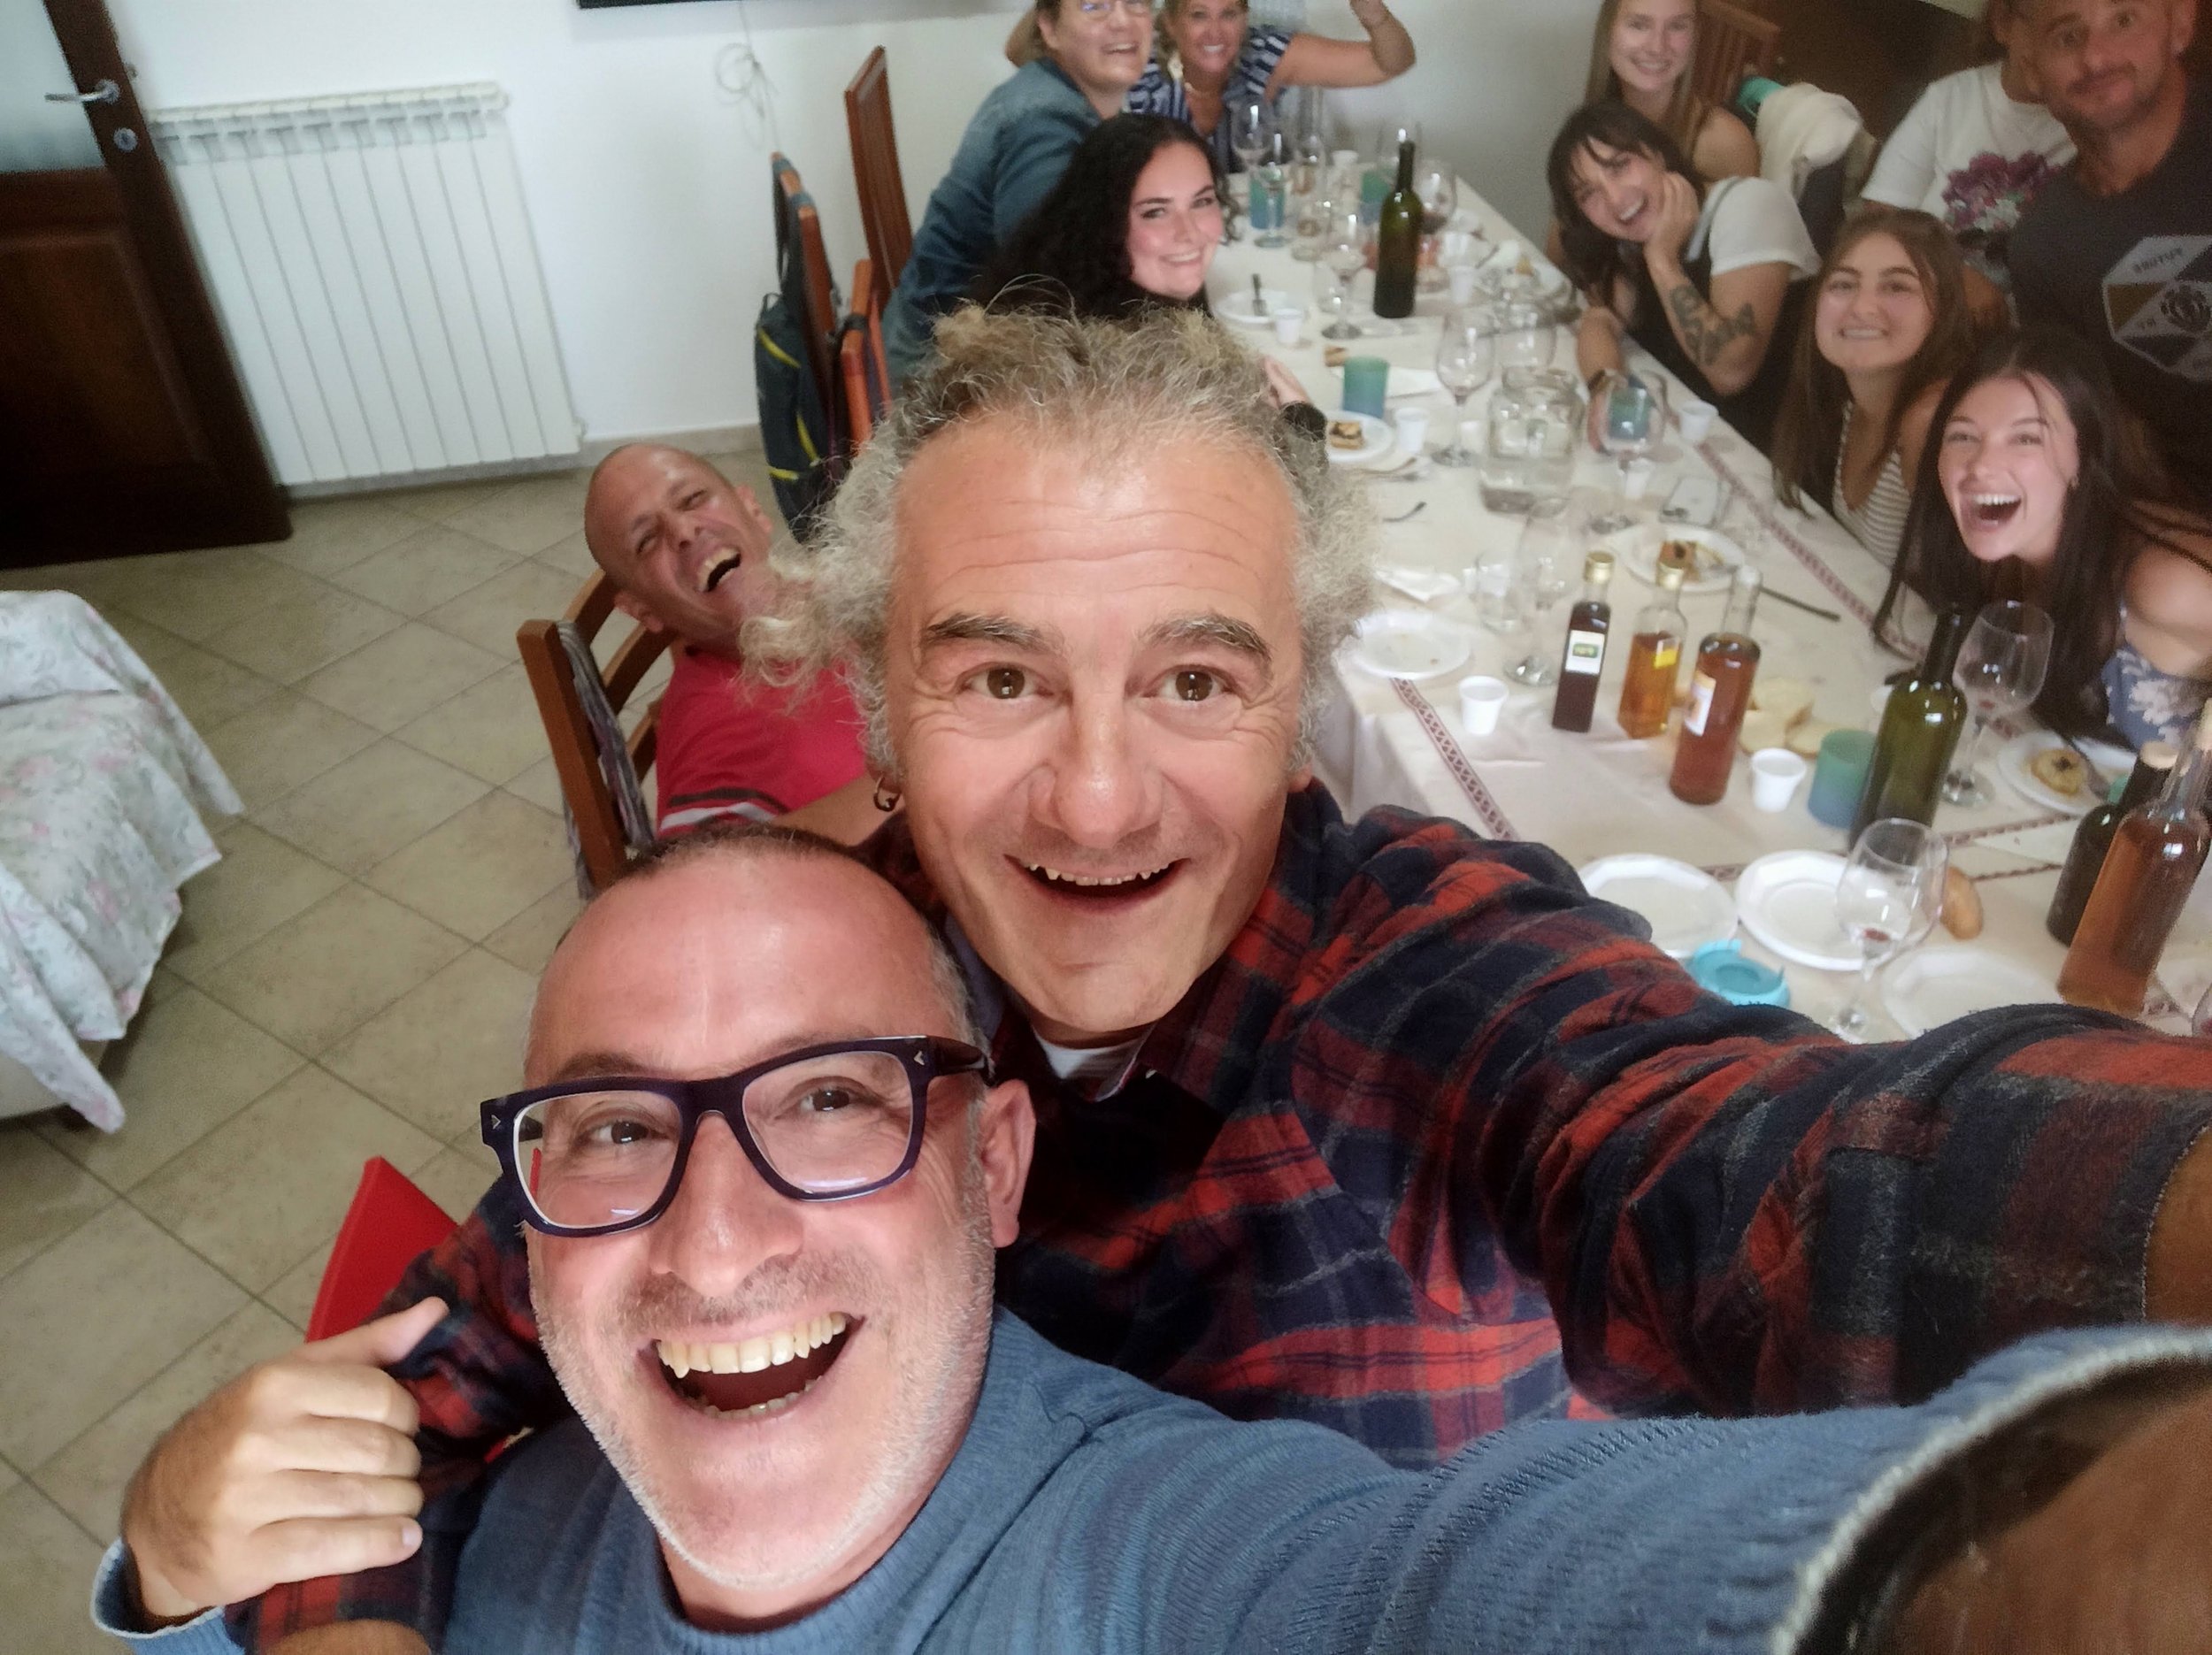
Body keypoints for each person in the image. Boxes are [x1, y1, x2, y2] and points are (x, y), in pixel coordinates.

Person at [129, 309, 2212, 1653]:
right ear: (877, 708)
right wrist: (326, 1612)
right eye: (999, 678)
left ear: (1305, 709)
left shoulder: (1432, 979)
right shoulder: (809, 981)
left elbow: (1796, 1172)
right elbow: (458, 1352)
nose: (1100, 792)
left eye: (1195, 680)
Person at [100, 823, 2212, 1655]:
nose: (712, 1240)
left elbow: (1430, 1587)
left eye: (832, 1100)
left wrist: (2025, 1558)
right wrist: (175, 1559)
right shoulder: (487, 1458)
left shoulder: (1164, 1552)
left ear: (993, 1167)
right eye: (617, 1124)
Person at [1874, 326, 2212, 745]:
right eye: (1962, 436)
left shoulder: (2167, 583)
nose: (1980, 465)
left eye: (2025, 438)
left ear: (2084, 456)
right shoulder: (2000, 548)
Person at [580, 445, 876, 844]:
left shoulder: (842, 588)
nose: (684, 532)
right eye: (647, 540)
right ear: (643, 610)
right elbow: (707, 870)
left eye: (692, 499)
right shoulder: (715, 741)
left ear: (752, 508)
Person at [881, 0, 1152, 385]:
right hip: (937, 364)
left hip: (962, 331)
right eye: (1095, 6)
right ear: (1049, 28)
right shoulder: (1045, 122)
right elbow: (1048, 288)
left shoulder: (1058, 89)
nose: (1123, 21)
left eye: (1136, 2)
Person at [970, 112, 1315, 413]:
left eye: (1202, 202)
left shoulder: (1141, 284)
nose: (1189, 233)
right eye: (1155, 212)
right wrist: (1300, 425)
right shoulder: (1095, 359)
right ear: (1106, 221)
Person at [2007, 0, 2212, 487]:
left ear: (2180, 23)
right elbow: (2099, 422)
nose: (2096, 58)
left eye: (2123, 20)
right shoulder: (2042, 245)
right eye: (2067, 37)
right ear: (2033, 70)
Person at [1555, 102, 1819, 453]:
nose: (1615, 199)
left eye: (1620, 166)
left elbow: (1730, 372)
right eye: (1589, 194)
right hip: (1694, 435)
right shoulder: (1636, 231)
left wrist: (1662, 260)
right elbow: (1601, 319)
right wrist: (1608, 385)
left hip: (1775, 454)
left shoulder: (1750, 205)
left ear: (1658, 153)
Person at [1770, 206, 1982, 567]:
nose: (1862, 307)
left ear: (1943, 310)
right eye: (1843, 284)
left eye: (1897, 286)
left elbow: (1965, 587)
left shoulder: (1929, 422)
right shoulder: (1851, 401)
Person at [1858, 0, 2075, 308]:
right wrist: (1954, 275)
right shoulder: (1948, 100)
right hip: (1920, 299)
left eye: (2070, 35)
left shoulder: (2090, 121)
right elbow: (1879, 217)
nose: (2051, 48)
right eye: (2041, 24)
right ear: (2003, 23)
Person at [1121, 0, 1416, 173]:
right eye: (1198, 15)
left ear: (1244, 19)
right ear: (1170, 24)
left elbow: (1390, 64)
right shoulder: (1132, 66)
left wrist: (1375, 16)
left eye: (1229, 14)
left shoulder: (1264, 52)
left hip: (1254, 225)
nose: (1215, 32)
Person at [1581, 0, 1760, 182]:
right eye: (1639, 25)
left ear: (1695, 35)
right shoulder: (1589, 129)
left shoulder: (1725, 142)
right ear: (1607, 30)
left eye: (1677, 26)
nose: (1657, 48)